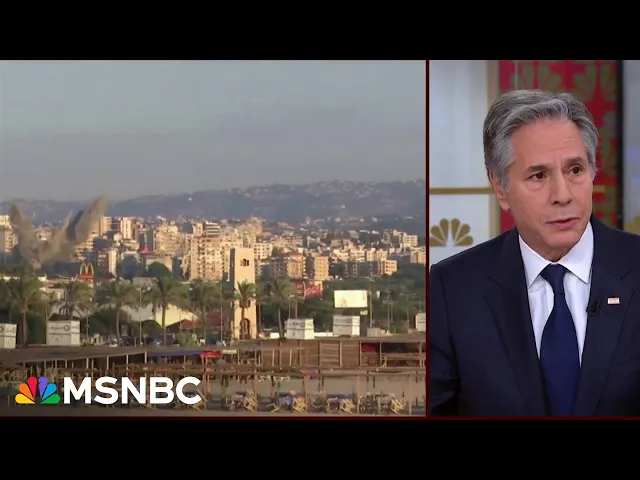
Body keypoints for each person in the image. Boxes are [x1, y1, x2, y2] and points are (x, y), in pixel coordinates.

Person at [429, 89, 640, 416]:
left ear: (592, 172)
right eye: (539, 176)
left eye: (575, 170)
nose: (563, 195)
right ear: (500, 187)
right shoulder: (452, 288)